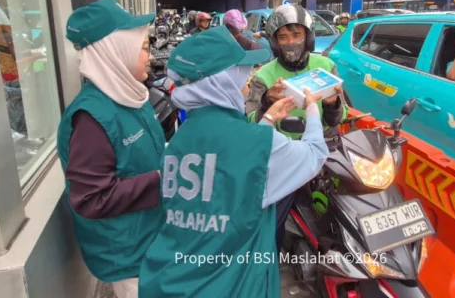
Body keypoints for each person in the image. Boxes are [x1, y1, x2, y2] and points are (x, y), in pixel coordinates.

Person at [138, 26, 330, 297]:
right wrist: (311, 107)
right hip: (233, 284)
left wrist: (269, 119)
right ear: (221, 81)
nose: (248, 81)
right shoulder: (254, 144)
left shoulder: (181, 138)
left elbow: (234, 168)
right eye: (242, 73)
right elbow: (314, 154)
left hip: (171, 277)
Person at [56, 0, 167, 298]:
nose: (150, 56)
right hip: (130, 257)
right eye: (144, 47)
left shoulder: (131, 97)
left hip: (150, 239)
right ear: (116, 52)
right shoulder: (92, 118)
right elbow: (91, 199)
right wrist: (163, 179)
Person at [244, 4, 347, 246]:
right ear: (274, 42)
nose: (291, 42)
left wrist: (333, 104)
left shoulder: (325, 67)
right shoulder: (264, 76)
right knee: (270, 221)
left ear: (308, 36)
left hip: (323, 150)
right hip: (283, 157)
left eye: (296, 34)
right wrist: (267, 101)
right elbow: (251, 123)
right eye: (283, 36)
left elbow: (339, 118)